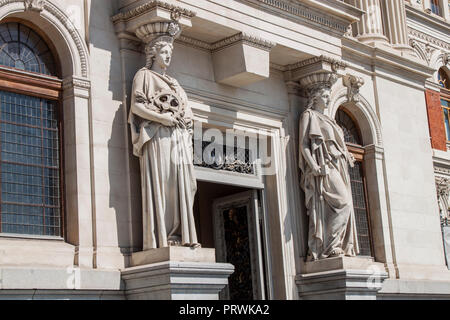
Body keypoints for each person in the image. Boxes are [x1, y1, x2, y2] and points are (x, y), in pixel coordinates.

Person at [129, 34, 200, 250]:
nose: (168, 56)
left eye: (170, 52)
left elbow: (187, 114)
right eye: (164, 52)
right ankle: (167, 237)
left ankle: (182, 233)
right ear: (153, 53)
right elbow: (136, 107)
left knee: (189, 185)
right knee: (165, 184)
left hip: (178, 137)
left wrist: (186, 132)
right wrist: (162, 118)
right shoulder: (144, 76)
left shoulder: (176, 84)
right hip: (159, 136)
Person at [299, 85, 359, 261]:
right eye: (324, 96)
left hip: (338, 164)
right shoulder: (308, 115)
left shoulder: (330, 120)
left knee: (345, 203)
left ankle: (336, 245)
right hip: (324, 166)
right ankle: (330, 246)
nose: (327, 99)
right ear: (315, 97)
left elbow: (338, 145)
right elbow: (303, 145)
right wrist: (314, 166)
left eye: (328, 96)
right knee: (344, 202)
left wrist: (347, 156)